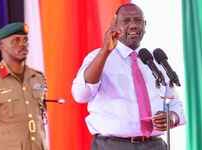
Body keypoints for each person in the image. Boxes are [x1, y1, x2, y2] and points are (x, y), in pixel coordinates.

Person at [71, 3, 186, 150]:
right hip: (111, 145)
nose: (133, 25)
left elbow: (176, 104)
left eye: (138, 20)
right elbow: (81, 94)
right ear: (115, 26)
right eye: (126, 21)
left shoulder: (154, 62)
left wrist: (172, 117)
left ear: (144, 25)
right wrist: (105, 51)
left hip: (154, 144)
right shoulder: (98, 57)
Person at [0, 22, 48, 150]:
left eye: (25, 40)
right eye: (15, 41)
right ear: (2, 48)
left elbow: (41, 121)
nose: (23, 44)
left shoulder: (38, 78)